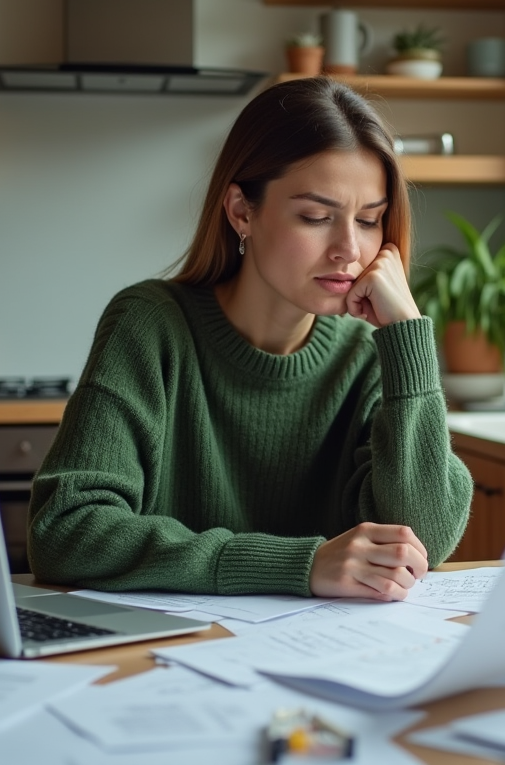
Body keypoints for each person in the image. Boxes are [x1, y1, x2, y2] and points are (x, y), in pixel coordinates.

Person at [28, 77, 473, 602]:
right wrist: (298, 565)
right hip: (168, 653)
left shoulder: (368, 356)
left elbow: (421, 541)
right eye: (315, 217)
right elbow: (65, 530)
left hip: (321, 662)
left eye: (370, 220)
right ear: (242, 211)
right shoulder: (150, 325)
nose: (349, 249)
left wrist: (406, 341)